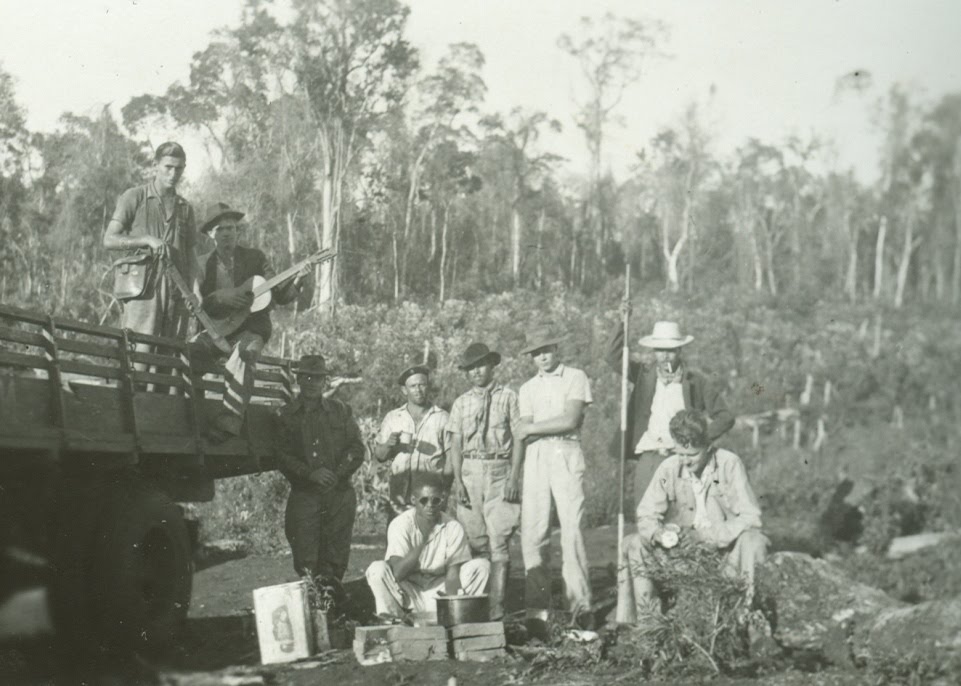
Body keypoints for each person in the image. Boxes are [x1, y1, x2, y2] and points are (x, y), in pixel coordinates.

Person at [616, 409, 769, 624]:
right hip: (681, 558)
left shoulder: (729, 464)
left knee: (754, 541)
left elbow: (752, 518)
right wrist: (659, 533)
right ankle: (648, 624)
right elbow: (646, 514)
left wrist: (705, 536)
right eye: (680, 454)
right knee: (633, 543)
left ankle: (751, 619)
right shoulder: (668, 468)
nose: (686, 461)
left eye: (693, 455)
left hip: (724, 557)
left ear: (708, 447)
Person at [195, 201, 309, 440]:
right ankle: (191, 412)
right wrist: (222, 298)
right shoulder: (203, 264)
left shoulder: (255, 258)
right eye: (221, 229)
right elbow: (198, 302)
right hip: (217, 329)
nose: (227, 233)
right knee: (191, 351)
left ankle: (228, 422)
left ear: (238, 231)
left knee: (246, 354)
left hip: (251, 329)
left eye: (232, 228)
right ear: (210, 235)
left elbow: (279, 294)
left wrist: (298, 279)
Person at [608, 313, 734, 507]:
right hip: (649, 457)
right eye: (659, 350)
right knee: (646, 514)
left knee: (682, 513)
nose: (665, 356)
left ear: (680, 350)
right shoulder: (644, 375)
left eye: (671, 350)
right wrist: (622, 321)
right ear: (653, 352)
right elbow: (613, 357)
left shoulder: (696, 381)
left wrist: (698, 439)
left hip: (681, 458)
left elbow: (725, 417)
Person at [515, 324, 594, 630]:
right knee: (534, 532)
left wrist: (531, 428)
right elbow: (524, 430)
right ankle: (538, 611)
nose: (542, 357)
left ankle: (580, 607)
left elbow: (571, 419)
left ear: (556, 349)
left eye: (546, 350)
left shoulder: (575, 377)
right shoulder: (527, 388)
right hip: (536, 457)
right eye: (536, 353)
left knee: (572, 530)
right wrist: (516, 467)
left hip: (565, 451)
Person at [273, 354, 366, 599]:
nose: (312, 382)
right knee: (306, 559)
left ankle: (333, 610)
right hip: (305, 495)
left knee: (335, 558)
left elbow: (356, 449)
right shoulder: (287, 415)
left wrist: (337, 474)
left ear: (325, 382)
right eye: (307, 377)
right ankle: (313, 607)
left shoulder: (341, 411)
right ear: (299, 379)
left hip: (339, 494)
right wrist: (310, 474)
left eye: (318, 378)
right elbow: (282, 456)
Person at [446, 342, 522, 620]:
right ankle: (475, 607)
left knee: (499, 540)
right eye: (470, 368)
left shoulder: (509, 397)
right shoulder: (461, 402)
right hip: (470, 470)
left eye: (481, 365)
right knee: (474, 540)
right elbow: (455, 444)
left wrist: (514, 476)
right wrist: (458, 481)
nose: (476, 372)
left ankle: (497, 608)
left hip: (500, 469)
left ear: (491, 365)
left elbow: (519, 438)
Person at [103, 142, 197, 357]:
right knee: (138, 354)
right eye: (168, 167)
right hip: (143, 292)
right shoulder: (134, 197)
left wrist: (195, 292)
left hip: (176, 292)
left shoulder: (185, 208)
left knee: (170, 359)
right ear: (155, 165)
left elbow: (191, 257)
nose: (173, 174)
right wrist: (146, 239)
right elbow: (109, 239)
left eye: (179, 168)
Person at [365, 473, 490, 619]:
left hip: (439, 591)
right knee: (376, 570)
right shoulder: (400, 524)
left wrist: (448, 603)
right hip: (409, 591)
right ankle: (394, 619)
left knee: (482, 566)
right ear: (413, 500)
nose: (430, 505)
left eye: (435, 500)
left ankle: (456, 617)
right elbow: (398, 572)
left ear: (442, 501)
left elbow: (453, 573)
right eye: (423, 500)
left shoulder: (453, 527)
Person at [374, 365, 450, 517]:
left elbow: (451, 458)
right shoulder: (393, 417)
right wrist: (389, 443)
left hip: (430, 499)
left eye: (422, 385)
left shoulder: (442, 418)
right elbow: (380, 456)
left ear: (428, 387)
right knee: (398, 539)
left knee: (430, 539)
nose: (418, 390)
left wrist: (445, 491)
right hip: (399, 497)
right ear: (404, 390)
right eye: (413, 386)